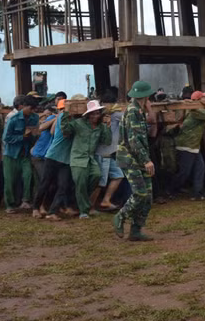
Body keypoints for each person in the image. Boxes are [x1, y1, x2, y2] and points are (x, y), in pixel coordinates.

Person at [114, 79, 156, 241]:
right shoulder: (133, 111)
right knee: (140, 193)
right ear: (146, 96)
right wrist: (146, 160)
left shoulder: (137, 110)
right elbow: (134, 139)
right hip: (130, 158)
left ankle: (136, 230)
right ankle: (121, 216)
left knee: (148, 197)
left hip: (137, 158)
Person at [61, 99, 112, 218]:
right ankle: (84, 211)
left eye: (97, 113)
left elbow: (107, 141)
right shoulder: (78, 123)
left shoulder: (101, 127)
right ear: (88, 114)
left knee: (97, 175)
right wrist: (65, 114)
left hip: (90, 158)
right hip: (78, 158)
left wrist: (107, 126)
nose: (95, 116)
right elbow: (66, 131)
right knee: (81, 183)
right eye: (92, 113)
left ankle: (82, 202)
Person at [168, 91, 205, 200]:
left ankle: (197, 193)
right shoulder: (197, 112)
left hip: (192, 145)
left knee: (199, 169)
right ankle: (171, 190)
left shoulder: (191, 109)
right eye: (203, 98)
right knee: (184, 172)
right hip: (187, 146)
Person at [2, 95, 39, 214]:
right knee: (9, 180)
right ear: (24, 106)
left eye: (34, 109)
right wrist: (22, 136)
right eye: (30, 108)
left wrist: (34, 135)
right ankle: (9, 204)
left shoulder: (35, 118)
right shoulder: (13, 119)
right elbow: (6, 138)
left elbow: (35, 135)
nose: (32, 111)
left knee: (28, 176)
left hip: (25, 153)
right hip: (11, 154)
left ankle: (26, 200)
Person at [93, 89, 124, 212]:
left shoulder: (112, 114)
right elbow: (127, 117)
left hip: (109, 153)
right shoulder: (113, 115)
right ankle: (89, 206)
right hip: (103, 153)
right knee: (101, 182)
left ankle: (105, 200)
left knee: (118, 175)